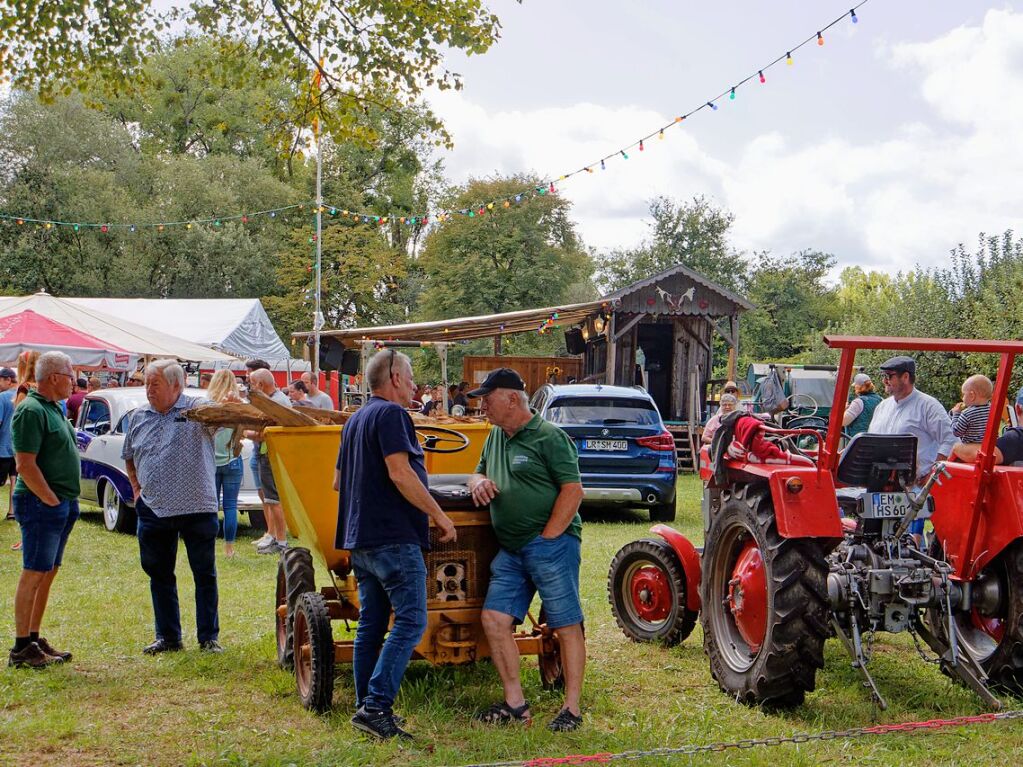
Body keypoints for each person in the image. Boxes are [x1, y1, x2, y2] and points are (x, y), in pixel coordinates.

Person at [334, 349, 456, 740]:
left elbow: (339, 482)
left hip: (360, 538)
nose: (416, 384)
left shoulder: (354, 420)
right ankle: (376, 707)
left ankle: (364, 707)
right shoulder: (392, 415)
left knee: (371, 623)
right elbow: (401, 473)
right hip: (392, 536)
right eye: (410, 375)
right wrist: (439, 515)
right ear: (395, 378)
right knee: (411, 621)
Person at [468, 368, 587, 732]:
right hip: (512, 550)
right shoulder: (495, 437)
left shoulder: (550, 437)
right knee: (494, 619)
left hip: (549, 546)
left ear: (513, 399)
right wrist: (479, 481)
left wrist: (549, 537)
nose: (483, 405)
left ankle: (572, 709)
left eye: (488, 398)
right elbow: (475, 472)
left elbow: (573, 490)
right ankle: (516, 705)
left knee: (565, 625)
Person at [122, 359, 222, 654]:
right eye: (146, 383)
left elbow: (230, 419)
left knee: (204, 574)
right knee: (159, 574)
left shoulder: (199, 411)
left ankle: (208, 637)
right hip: (153, 508)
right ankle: (168, 637)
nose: (148, 389)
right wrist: (137, 490)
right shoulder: (138, 416)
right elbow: (129, 455)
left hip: (197, 506)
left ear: (176, 385)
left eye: (155, 383)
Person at [9, 351, 79, 668]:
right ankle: (21, 647)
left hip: (59, 503)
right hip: (41, 504)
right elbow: (24, 464)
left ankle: (34, 638)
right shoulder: (31, 410)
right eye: (70, 375)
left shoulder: (53, 408)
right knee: (34, 572)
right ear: (53, 377)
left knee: (47, 573)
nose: (74, 381)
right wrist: (50, 499)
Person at [869, 356, 954, 538]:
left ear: (905, 377)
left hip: (912, 487)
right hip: (881, 485)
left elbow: (950, 439)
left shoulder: (928, 406)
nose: (884, 380)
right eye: (883, 376)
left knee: (906, 539)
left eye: (889, 376)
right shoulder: (882, 407)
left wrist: (933, 471)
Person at [246, 368, 291, 554]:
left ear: (261, 385)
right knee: (271, 499)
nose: (251, 387)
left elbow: (269, 433)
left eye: (252, 383)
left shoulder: (277, 403)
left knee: (274, 500)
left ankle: (281, 542)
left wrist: (249, 433)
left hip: (270, 455)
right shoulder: (275, 400)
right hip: (268, 455)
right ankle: (274, 536)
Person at [208, 370, 244, 558]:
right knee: (230, 506)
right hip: (232, 459)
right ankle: (229, 548)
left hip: (211, 461)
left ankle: (211, 546)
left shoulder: (208, 403)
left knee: (212, 506)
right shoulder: (238, 405)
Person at [953, 385, 1023, 465]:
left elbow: (985, 456)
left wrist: (956, 447)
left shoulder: (1016, 438)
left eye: (963, 394)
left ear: (1018, 409)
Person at [949, 374, 993, 445]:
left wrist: (956, 414)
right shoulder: (992, 410)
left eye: (964, 395)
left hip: (972, 449)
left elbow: (956, 432)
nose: (962, 398)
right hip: (991, 447)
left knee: (955, 447)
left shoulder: (967, 414)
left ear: (972, 396)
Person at [842, 373, 883, 437]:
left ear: (858, 387)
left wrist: (843, 410)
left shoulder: (858, 402)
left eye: (855, 386)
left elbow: (843, 422)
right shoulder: (881, 400)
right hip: (876, 440)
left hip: (859, 442)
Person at [1, 368, 16, 518]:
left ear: (8, 380)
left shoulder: (2, 397)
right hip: (18, 448)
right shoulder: (24, 396)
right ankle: (12, 511)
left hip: (2, 447)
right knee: (14, 478)